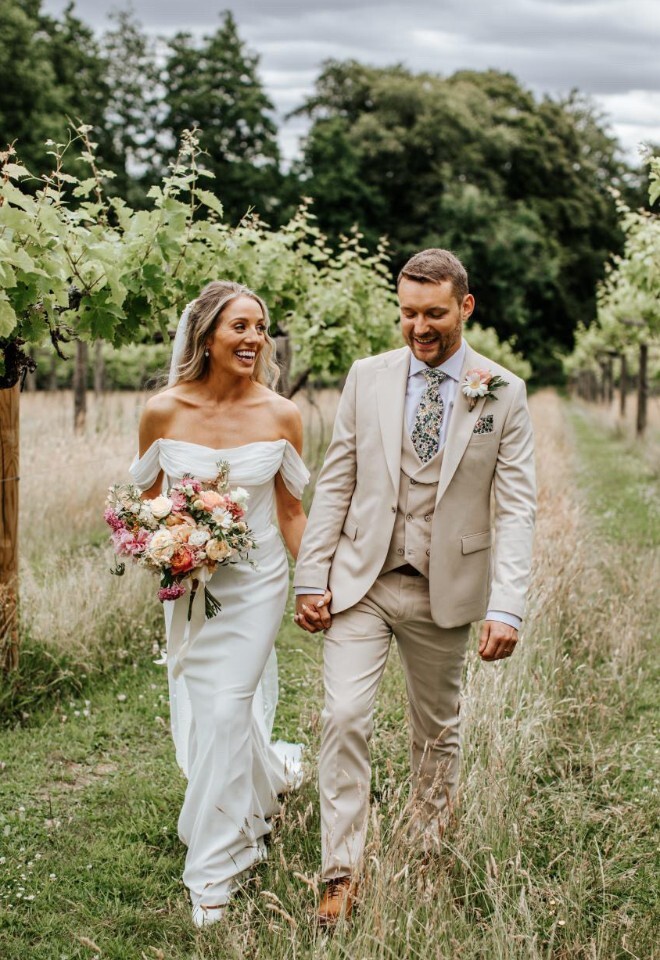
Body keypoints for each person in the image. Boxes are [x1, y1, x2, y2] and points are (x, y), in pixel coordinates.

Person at [293, 249, 536, 925]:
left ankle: (427, 853)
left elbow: (516, 507)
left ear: (465, 305)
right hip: (361, 581)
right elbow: (336, 477)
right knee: (342, 717)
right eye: (407, 313)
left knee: (436, 732)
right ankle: (339, 871)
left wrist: (506, 605)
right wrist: (312, 576)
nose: (419, 327)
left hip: (446, 590)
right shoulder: (367, 377)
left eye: (434, 313)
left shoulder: (502, 391)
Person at [129, 280, 328, 927]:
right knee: (213, 706)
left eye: (260, 327)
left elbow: (294, 512)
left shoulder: (281, 415)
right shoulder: (162, 411)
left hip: (258, 583)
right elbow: (148, 506)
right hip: (189, 588)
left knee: (229, 706)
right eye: (240, 326)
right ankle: (259, 783)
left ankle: (216, 868)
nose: (254, 339)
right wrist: (166, 545)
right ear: (207, 334)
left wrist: (313, 580)